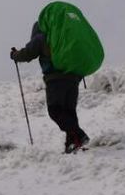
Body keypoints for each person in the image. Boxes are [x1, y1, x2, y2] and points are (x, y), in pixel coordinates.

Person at [11, 22, 90, 153]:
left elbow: (28, 53)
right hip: (73, 78)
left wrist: (15, 55)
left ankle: (80, 135)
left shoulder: (42, 37)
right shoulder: (63, 38)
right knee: (68, 112)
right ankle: (72, 143)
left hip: (56, 79)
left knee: (55, 111)